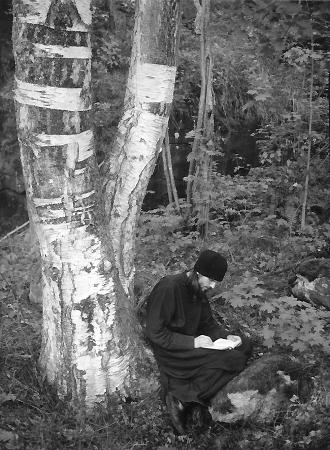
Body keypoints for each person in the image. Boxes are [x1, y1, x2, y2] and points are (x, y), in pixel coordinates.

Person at [145, 249, 252, 434]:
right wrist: (192, 343)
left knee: (245, 344)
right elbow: (155, 332)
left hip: (195, 342)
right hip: (172, 348)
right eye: (210, 280)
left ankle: (195, 388)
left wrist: (226, 337)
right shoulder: (169, 287)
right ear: (198, 272)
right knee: (232, 360)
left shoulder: (197, 289)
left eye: (216, 282)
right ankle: (180, 398)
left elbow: (208, 325)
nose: (212, 286)